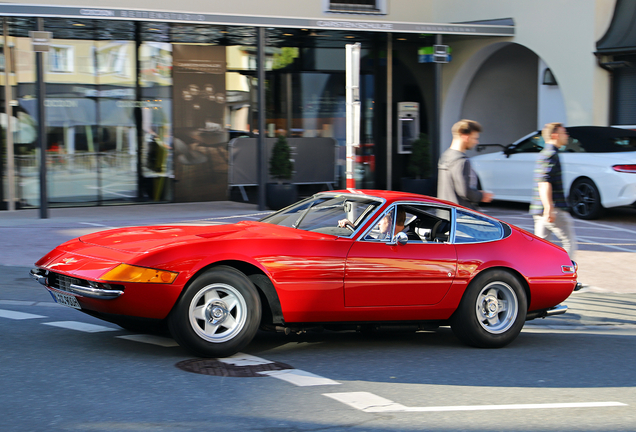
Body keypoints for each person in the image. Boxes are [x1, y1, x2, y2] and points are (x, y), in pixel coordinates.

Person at [530, 122, 577, 258]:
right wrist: (549, 207)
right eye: (564, 133)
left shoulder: (544, 153)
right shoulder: (551, 154)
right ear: (555, 135)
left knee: (541, 248)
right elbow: (544, 181)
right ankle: (566, 275)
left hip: (539, 209)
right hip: (554, 208)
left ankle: (540, 275)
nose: (567, 136)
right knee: (569, 242)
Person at [438, 119, 494, 210]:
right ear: (465, 137)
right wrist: (482, 196)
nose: (476, 142)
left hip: (447, 212)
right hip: (462, 215)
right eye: (475, 138)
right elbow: (464, 191)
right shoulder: (461, 161)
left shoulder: (446, 156)